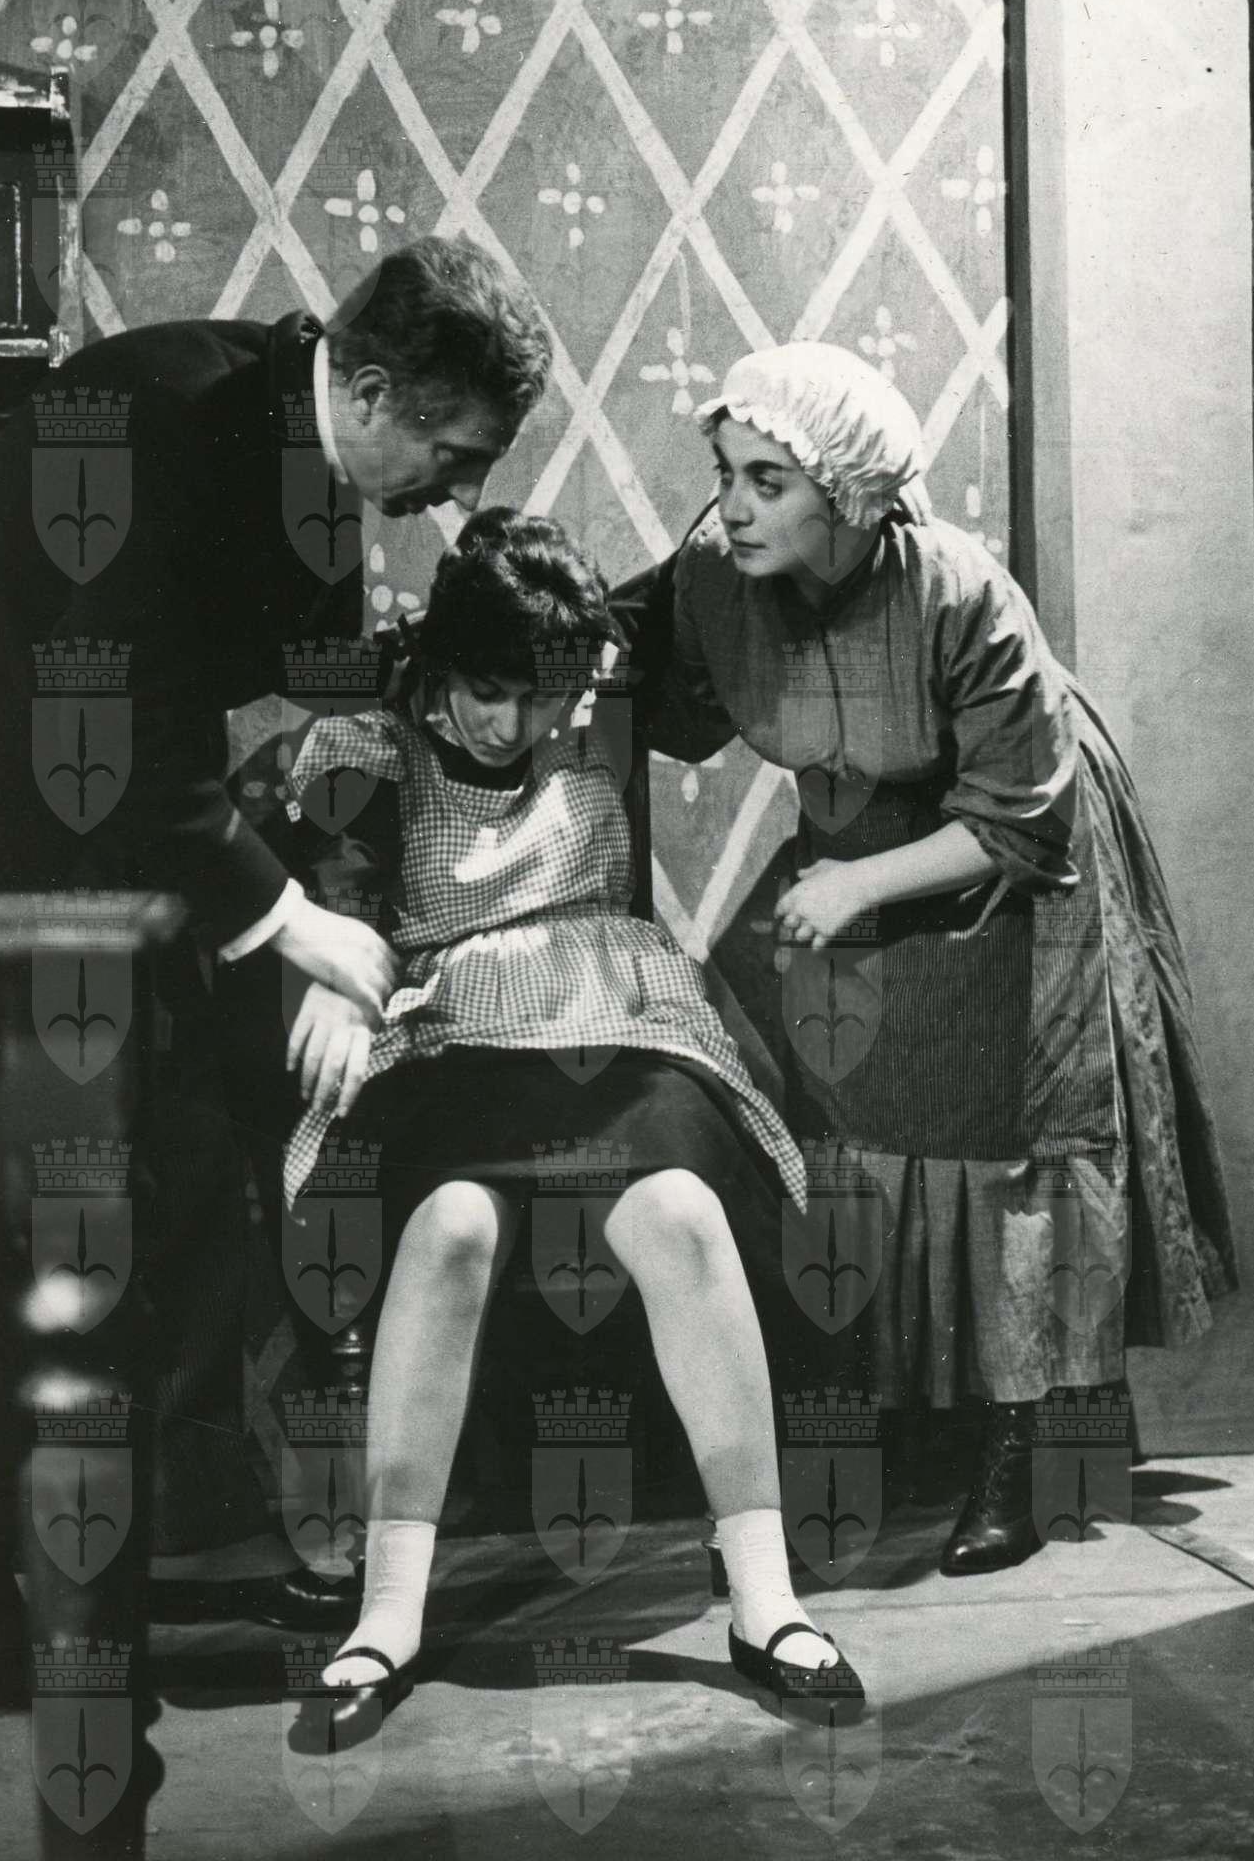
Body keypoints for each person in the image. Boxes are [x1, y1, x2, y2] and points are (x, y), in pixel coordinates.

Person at [0, 235, 551, 1626]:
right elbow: (114, 741)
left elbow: (301, 692)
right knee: (47, 1241)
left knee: (173, 1201)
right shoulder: (154, 426)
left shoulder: (307, 433)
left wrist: (336, 928)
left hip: (126, 865)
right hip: (11, 865)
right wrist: (291, 925)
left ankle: (122, 1573)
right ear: (375, 392)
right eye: (455, 456)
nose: (460, 493)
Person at [611, 342, 1239, 1576]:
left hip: (1013, 844)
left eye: (767, 482)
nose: (731, 505)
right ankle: (892, 1421)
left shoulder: (959, 591)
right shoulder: (715, 570)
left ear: (847, 493)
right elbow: (634, 670)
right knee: (812, 1089)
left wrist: (856, 884)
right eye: (725, 474)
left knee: (1006, 1133)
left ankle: (1020, 1445)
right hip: (857, 832)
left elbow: (1021, 816)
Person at [278, 507, 864, 1740]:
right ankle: (385, 1615)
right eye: (488, 693)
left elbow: (699, 564)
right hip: (454, 1034)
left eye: (540, 696)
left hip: (617, 1023)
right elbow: (338, 894)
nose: (514, 724)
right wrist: (338, 973)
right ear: (443, 660)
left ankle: (764, 1597)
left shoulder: (594, 709)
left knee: (681, 1212)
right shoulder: (369, 743)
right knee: (447, 1229)